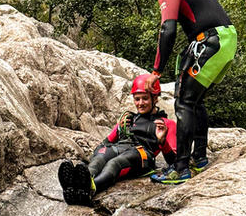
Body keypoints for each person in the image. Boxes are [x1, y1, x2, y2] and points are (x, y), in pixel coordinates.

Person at [124, 0, 237, 184]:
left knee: (184, 101)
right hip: (226, 39)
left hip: (210, 40)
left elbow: (168, 30)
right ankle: (200, 157)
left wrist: (156, 71)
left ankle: (181, 168)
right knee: (195, 101)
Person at [58, 74, 177, 206]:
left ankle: (90, 189)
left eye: (145, 99)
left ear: (155, 98)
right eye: (137, 99)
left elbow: (174, 161)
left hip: (142, 154)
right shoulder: (128, 119)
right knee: (100, 158)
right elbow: (107, 141)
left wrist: (162, 142)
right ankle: (76, 186)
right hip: (121, 147)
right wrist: (102, 150)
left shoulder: (166, 124)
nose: (140, 103)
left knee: (115, 163)